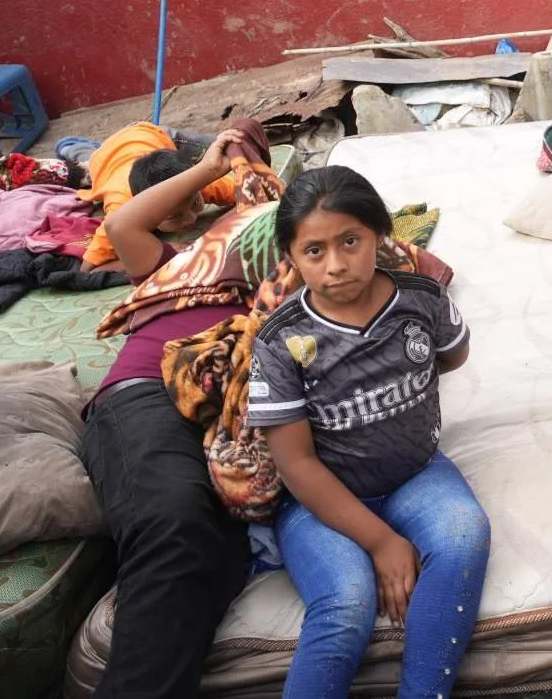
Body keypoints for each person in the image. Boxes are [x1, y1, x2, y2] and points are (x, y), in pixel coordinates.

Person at [247, 167, 489, 699]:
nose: (335, 265)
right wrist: (381, 543)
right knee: (347, 602)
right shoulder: (281, 339)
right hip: (319, 502)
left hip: (416, 473)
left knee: (463, 536)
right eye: (314, 251)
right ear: (290, 257)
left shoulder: (422, 300)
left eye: (350, 241)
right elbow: (297, 464)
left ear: (380, 236)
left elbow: (451, 356)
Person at [80, 127, 273, 699]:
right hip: (146, 394)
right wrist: (211, 167)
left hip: (228, 420)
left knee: (224, 553)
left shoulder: (290, 280)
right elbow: (121, 226)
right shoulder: (179, 265)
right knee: (175, 521)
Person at [78, 118, 275, 269]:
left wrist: (216, 227)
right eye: (174, 216)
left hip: (151, 135)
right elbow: (88, 269)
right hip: (105, 157)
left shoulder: (197, 186)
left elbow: (256, 193)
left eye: (196, 204)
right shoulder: (121, 209)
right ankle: (72, 145)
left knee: (229, 140)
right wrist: (160, 254)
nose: (191, 219)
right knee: (84, 156)